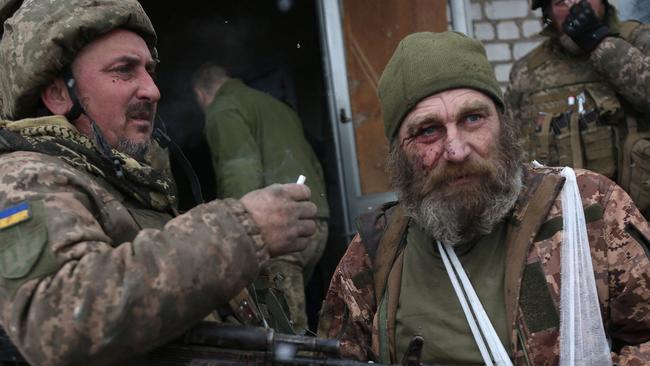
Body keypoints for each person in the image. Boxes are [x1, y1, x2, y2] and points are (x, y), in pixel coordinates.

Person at [0, 1, 317, 365]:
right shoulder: (25, 177)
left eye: (149, 71)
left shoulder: (125, 179)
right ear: (58, 95)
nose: (152, 90)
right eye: (124, 70)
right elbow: (59, 322)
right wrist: (244, 229)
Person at [317, 31, 650, 365]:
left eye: (472, 118)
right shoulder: (375, 254)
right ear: (398, 152)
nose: (457, 150)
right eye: (428, 130)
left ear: (503, 124)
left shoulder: (591, 211)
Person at [192, 63, 329, 333]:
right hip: (314, 221)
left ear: (200, 94)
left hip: (279, 229)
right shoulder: (276, 106)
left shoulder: (223, 108)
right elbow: (313, 164)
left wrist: (237, 232)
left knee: (284, 335)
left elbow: (239, 172)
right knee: (297, 320)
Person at [505, 0, 650, 217]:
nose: (575, 6)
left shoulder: (638, 39)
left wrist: (598, 41)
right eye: (560, 1)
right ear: (548, 12)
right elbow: (511, 151)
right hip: (564, 225)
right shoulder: (526, 72)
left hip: (639, 219)